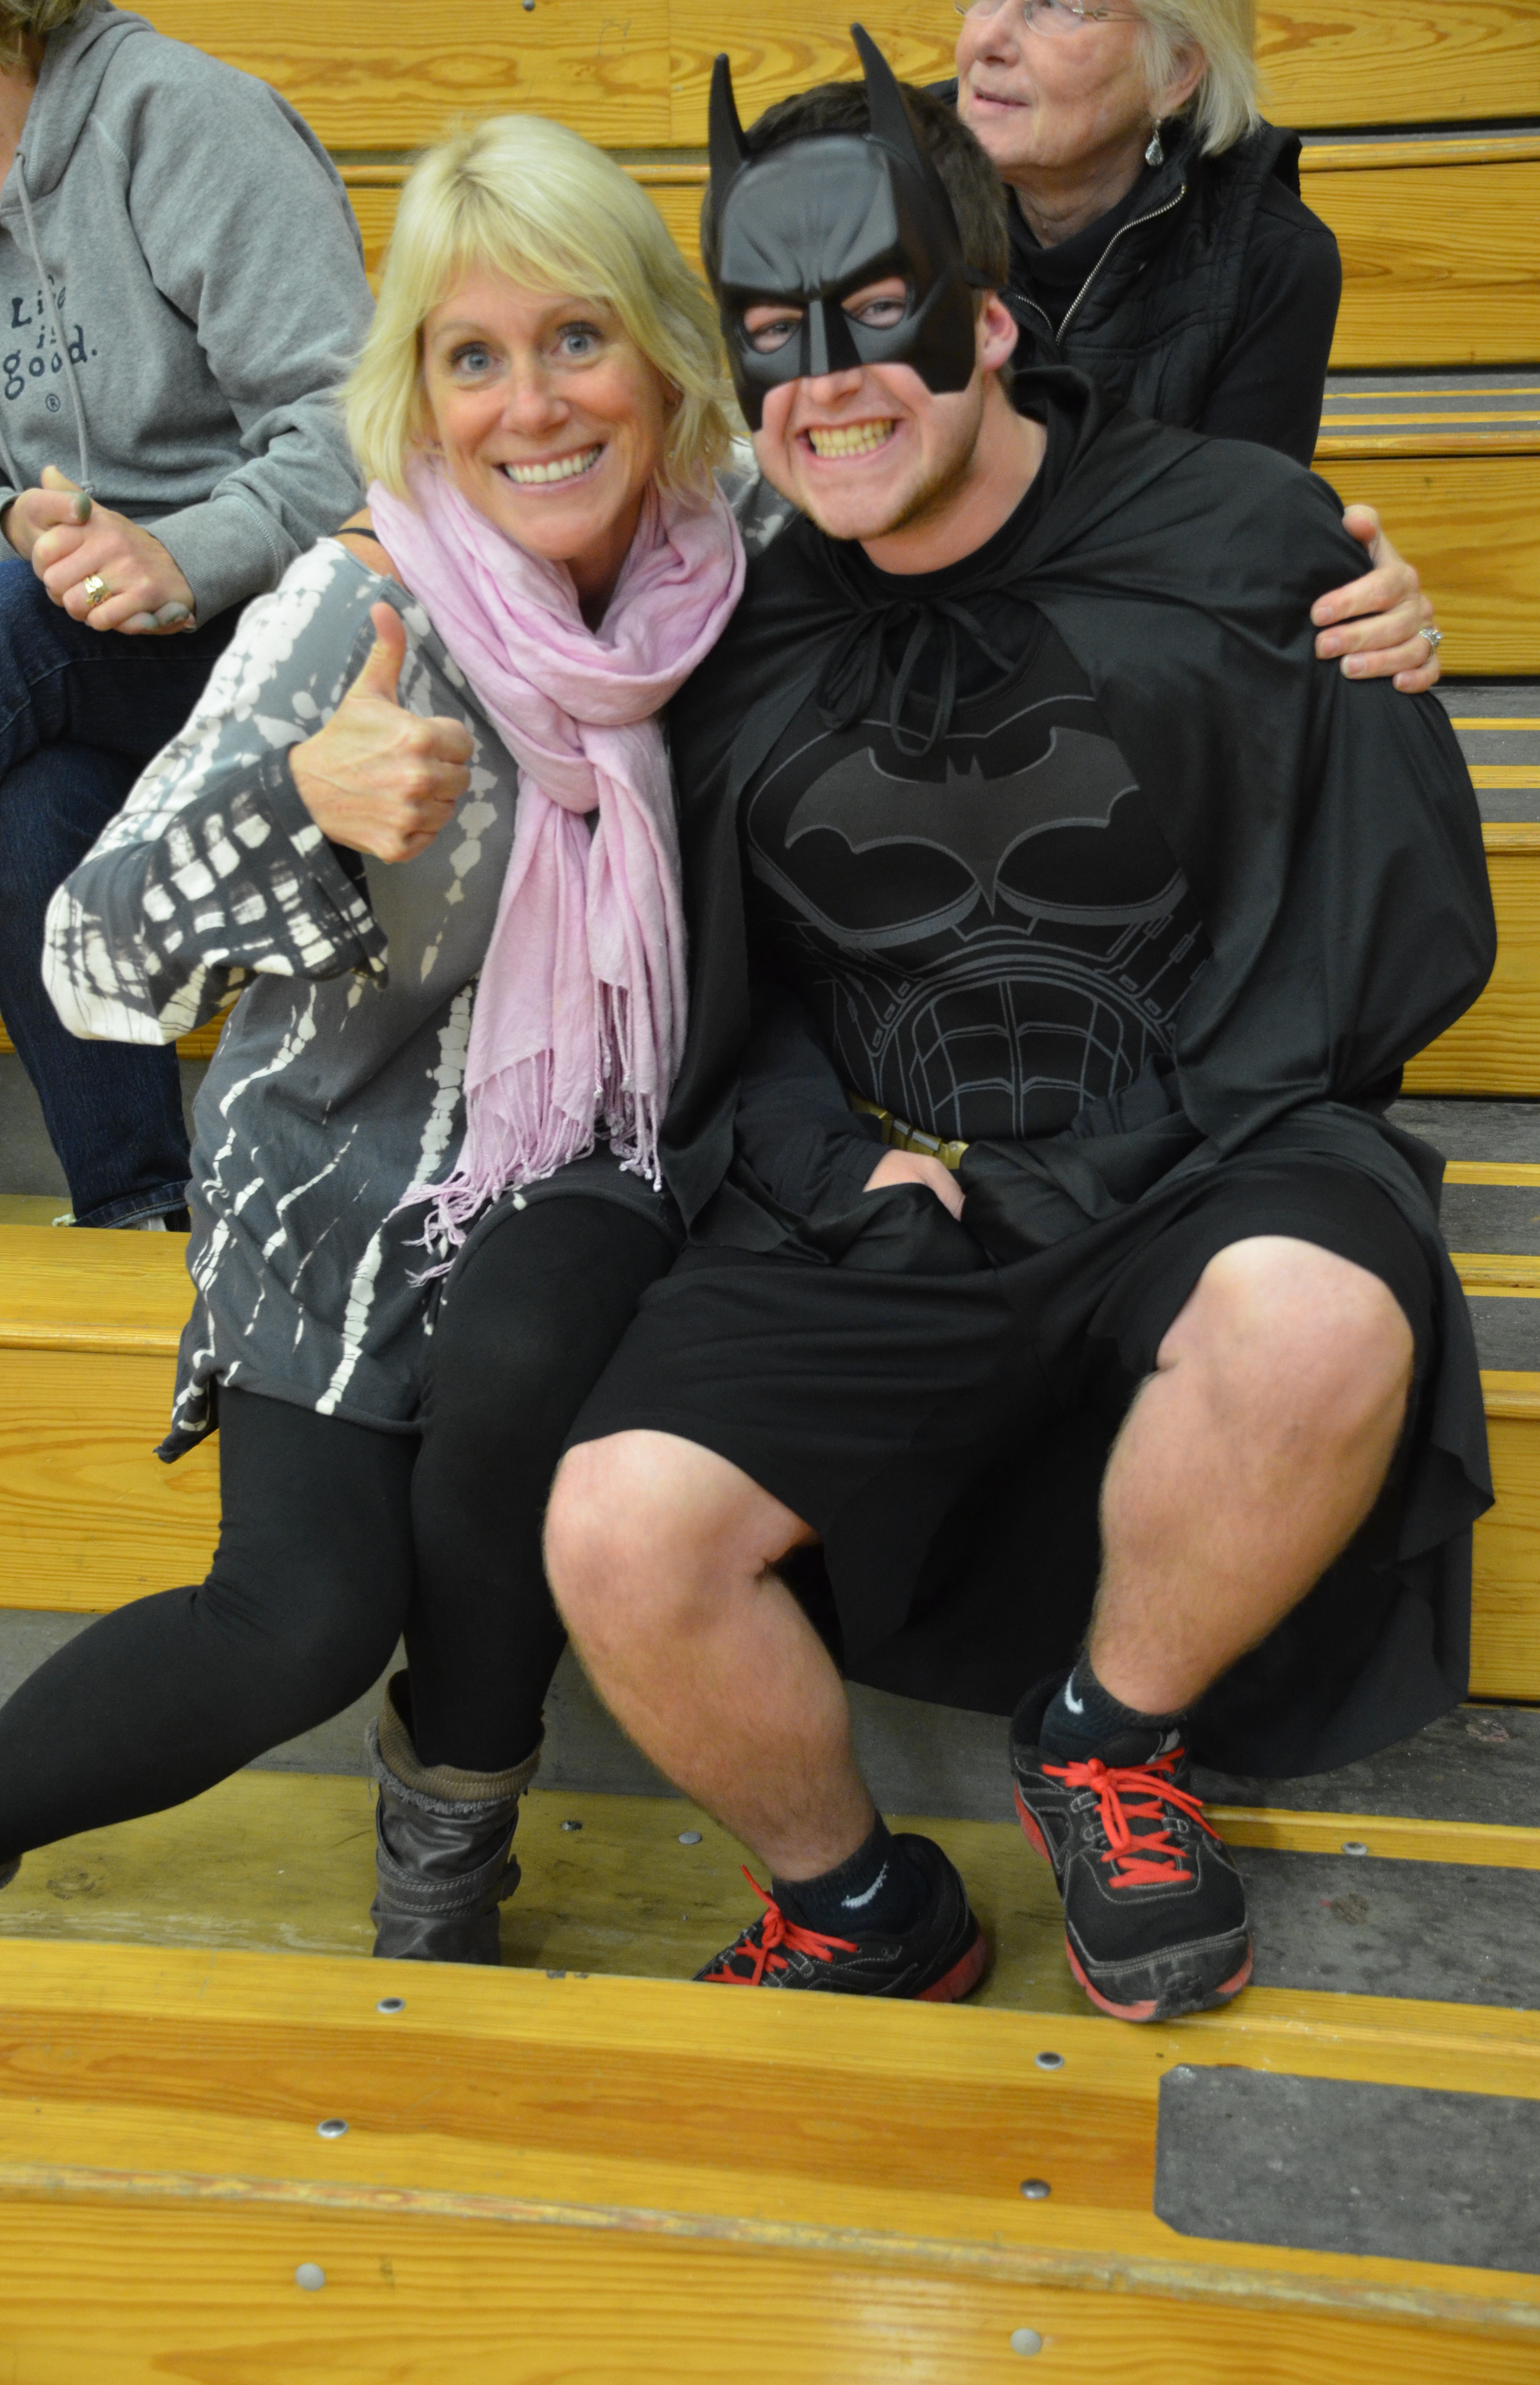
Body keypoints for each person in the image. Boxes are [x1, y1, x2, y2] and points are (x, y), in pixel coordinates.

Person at [542, 43, 1495, 2020]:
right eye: (775, 338)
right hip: (893, 1183)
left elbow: (1378, 921)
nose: (829, 385)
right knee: (620, 1529)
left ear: (987, 324)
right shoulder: (735, 636)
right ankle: (860, 1901)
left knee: (1323, 1306)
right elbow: (727, 996)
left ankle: (1105, 1741)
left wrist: (1150, 1153)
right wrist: (842, 1170)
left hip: (1204, 1147)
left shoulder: (1236, 540)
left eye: (880, 316)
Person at [0, 114, 743, 1962]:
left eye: (575, 338)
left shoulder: (739, 576)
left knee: (522, 1341)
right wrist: (296, 809)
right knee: (299, 1620)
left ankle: (449, 1837)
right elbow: (92, 951)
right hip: (326, 1189)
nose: (530, 405)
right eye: (473, 357)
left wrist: (1330, 615)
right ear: (419, 395)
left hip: (602, 1165)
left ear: (659, 354)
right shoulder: (354, 604)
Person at [0, 0, 373, 1228]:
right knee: (31, 810)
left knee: (17, 629)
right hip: (74, 666)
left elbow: (360, 434)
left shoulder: (182, 121)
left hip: (292, 645)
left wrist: (183, 554)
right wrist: (10, 525)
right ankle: (141, 1212)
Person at [941, 0, 1445, 692]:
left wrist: (1379, 615)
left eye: (1056, 6)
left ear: (1175, 72)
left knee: (1374, 668)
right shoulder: (878, 185)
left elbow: (1226, 573)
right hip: (910, 637)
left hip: (1130, 677)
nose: (989, 39)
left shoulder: (1269, 256)